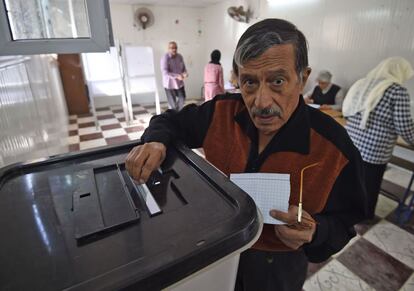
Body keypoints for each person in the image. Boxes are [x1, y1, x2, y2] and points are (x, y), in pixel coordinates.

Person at [126, 19, 367, 291]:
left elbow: (346, 221)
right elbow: (168, 121)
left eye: (277, 81)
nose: (261, 102)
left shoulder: (333, 146)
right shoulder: (221, 113)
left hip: (277, 270)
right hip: (218, 254)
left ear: (303, 78)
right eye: (249, 83)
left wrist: (315, 231)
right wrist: (156, 141)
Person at [343, 57, 414, 219]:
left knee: (352, 179)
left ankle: (347, 208)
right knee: (369, 185)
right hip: (373, 151)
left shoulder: (363, 83)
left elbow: (348, 110)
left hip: (352, 142)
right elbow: (404, 126)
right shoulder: (397, 90)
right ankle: (364, 216)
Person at [160, 41, 188, 110]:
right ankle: (174, 116)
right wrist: (177, 76)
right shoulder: (165, 58)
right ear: (168, 49)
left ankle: (177, 113)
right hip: (169, 84)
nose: (174, 49)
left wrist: (185, 73)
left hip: (179, 84)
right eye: (172, 48)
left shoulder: (179, 56)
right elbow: (165, 72)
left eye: (175, 48)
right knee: (172, 104)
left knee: (182, 98)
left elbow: (184, 68)